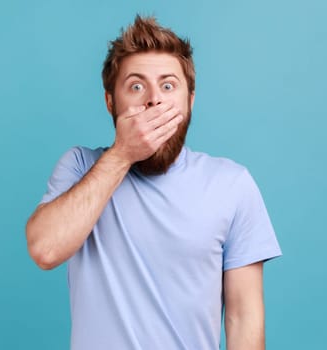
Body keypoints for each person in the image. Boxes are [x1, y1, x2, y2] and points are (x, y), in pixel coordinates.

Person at [26, 15, 282, 350]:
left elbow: (243, 317)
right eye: (136, 86)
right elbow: (45, 250)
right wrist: (121, 154)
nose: (153, 100)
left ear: (190, 102)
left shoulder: (232, 184)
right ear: (110, 102)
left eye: (168, 85)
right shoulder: (80, 166)